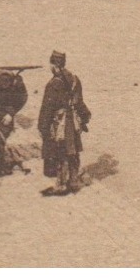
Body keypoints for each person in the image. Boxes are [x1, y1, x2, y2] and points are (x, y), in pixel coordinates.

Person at [38, 51, 91, 196]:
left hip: (59, 123)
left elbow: (47, 108)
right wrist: (85, 116)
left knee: (60, 152)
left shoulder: (53, 84)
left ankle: (61, 184)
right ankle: (73, 182)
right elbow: (79, 101)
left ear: (53, 65)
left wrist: (42, 127)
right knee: (73, 151)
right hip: (73, 121)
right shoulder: (74, 79)